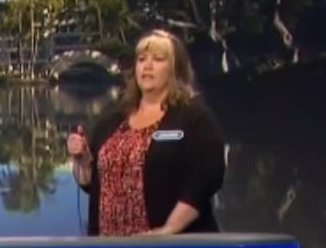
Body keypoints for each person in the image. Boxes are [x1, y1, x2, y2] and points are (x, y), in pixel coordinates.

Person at [67, 29, 225, 236]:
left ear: (175, 70)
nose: (147, 66)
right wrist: (83, 160)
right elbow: (91, 184)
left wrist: (169, 229)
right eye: (142, 59)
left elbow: (206, 179)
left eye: (158, 59)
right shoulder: (112, 120)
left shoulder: (194, 117)